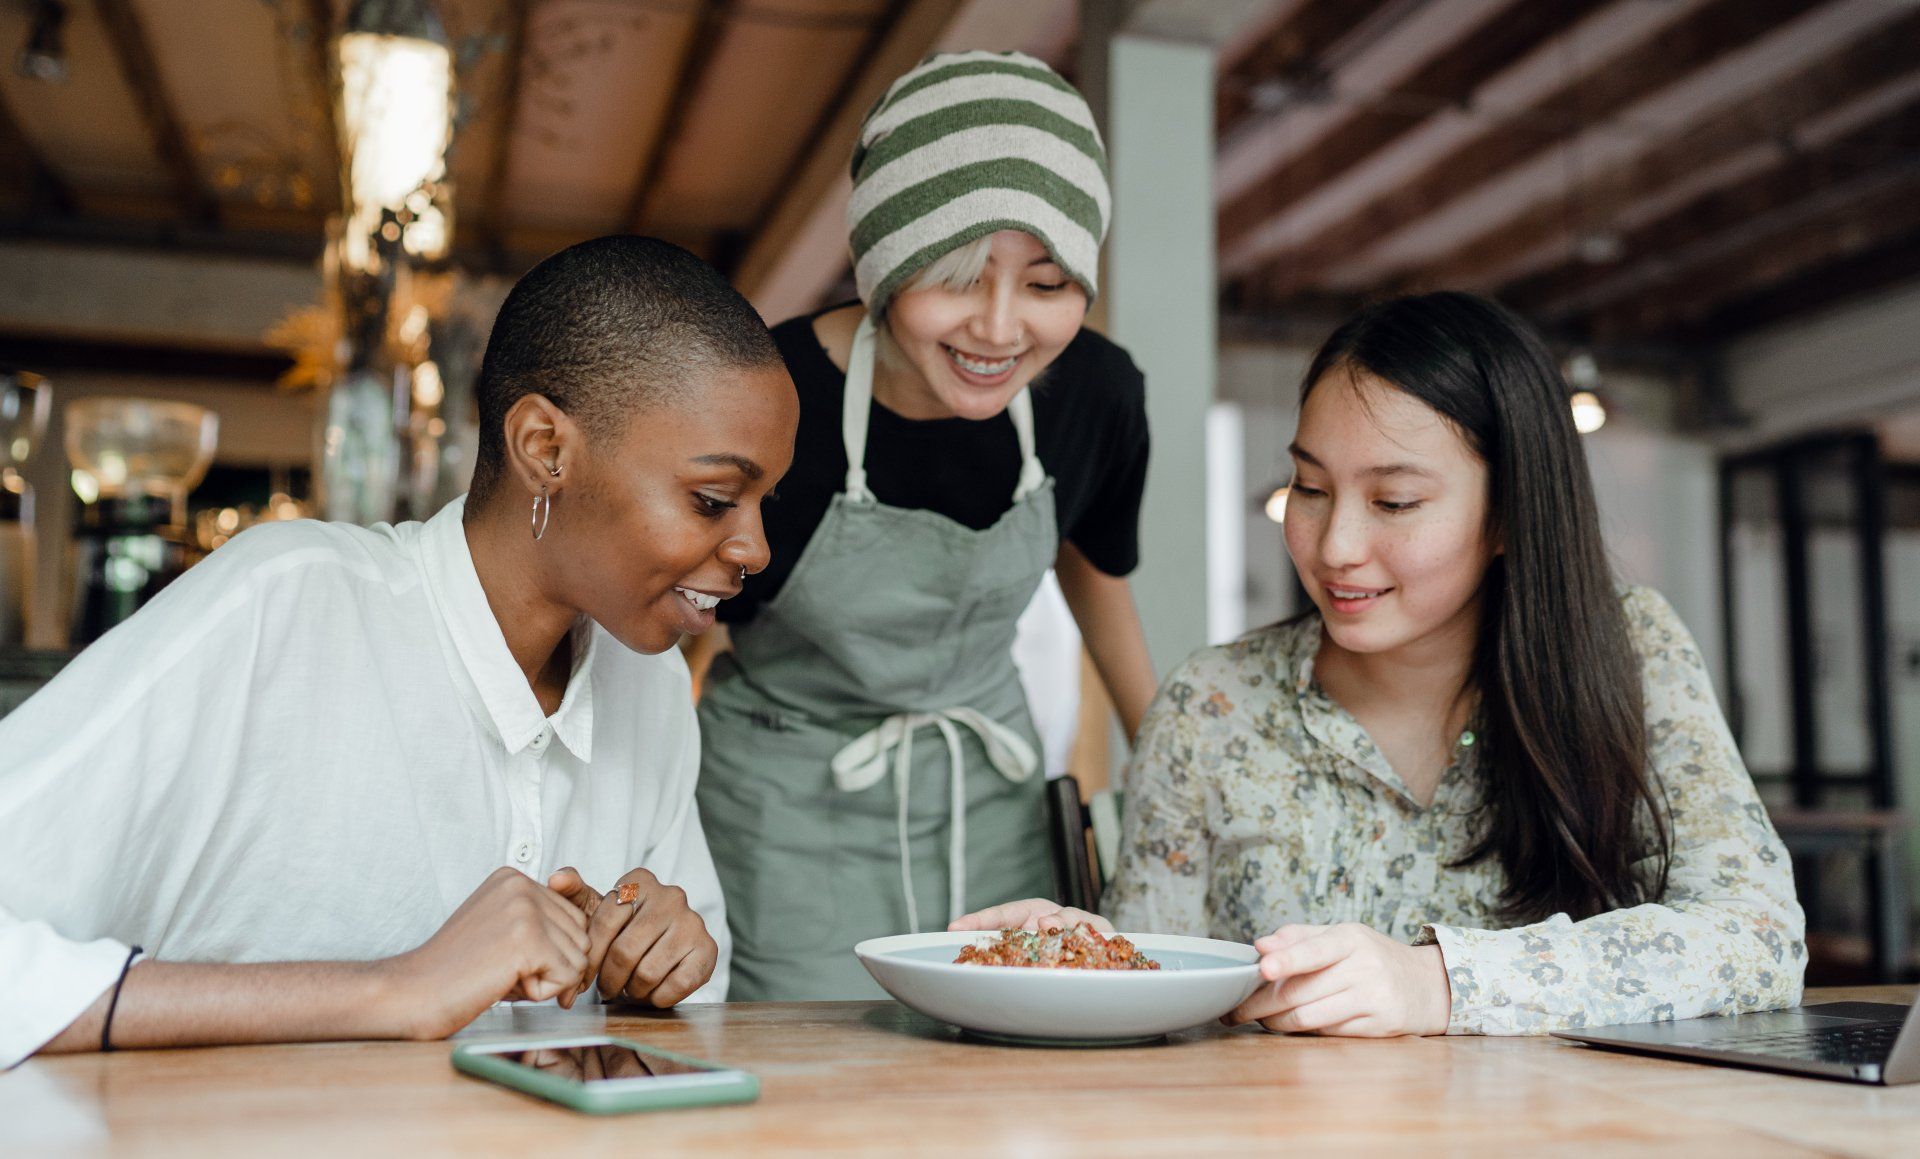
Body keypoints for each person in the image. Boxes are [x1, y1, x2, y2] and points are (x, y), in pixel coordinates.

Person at [0, 236, 797, 1067]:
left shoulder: (654, 685)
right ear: (545, 450)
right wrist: (398, 989)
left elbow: (688, 1029)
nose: (757, 548)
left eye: (763, 502)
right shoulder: (287, 606)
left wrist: (650, 975)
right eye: (712, 499)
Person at [957, 292, 1805, 1036]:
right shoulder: (1213, 704)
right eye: (1312, 489)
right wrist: (1078, 958)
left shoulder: (1628, 649)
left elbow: (1759, 940)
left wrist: (1437, 982)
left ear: (1510, 513)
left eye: (1394, 501)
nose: (1336, 547)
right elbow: (1156, 992)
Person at [695, 50, 1158, 1000]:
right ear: (882, 264)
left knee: (1000, 1056)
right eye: (956, 276)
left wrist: (1170, 766)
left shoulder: (1097, 397)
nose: (999, 329)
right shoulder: (772, 397)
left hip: (987, 795)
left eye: (1046, 282)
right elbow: (679, 625)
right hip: (787, 803)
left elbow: (1094, 572)